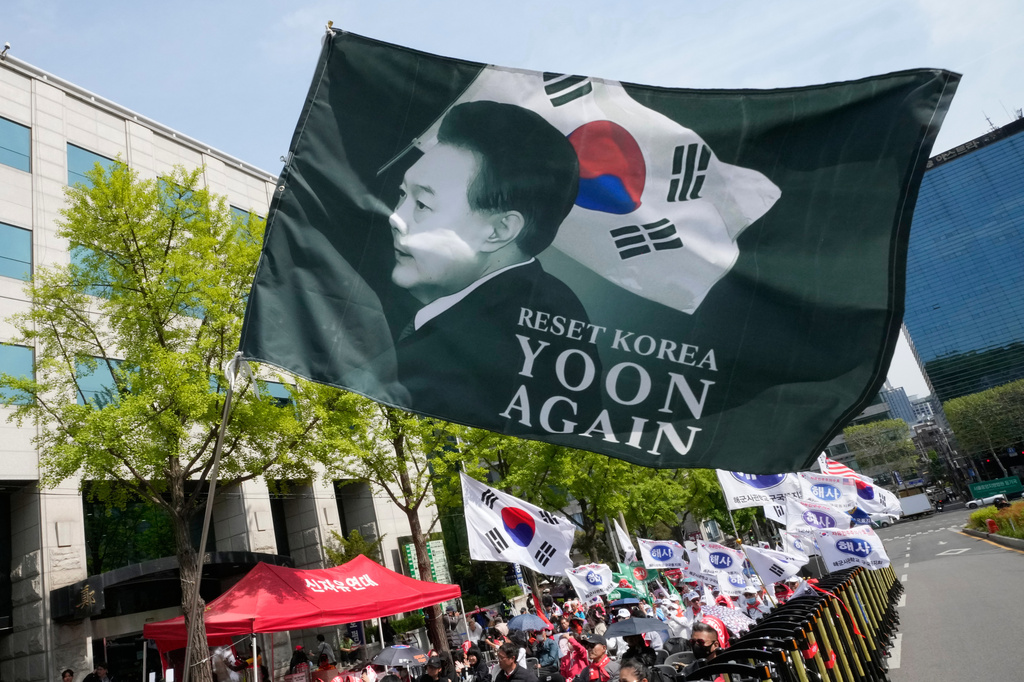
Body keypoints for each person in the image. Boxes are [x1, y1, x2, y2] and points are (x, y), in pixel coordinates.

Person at [389, 100, 601, 426]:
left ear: (499, 230)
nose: (395, 218)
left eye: (422, 204)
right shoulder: (515, 305)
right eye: (402, 194)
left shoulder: (518, 340)